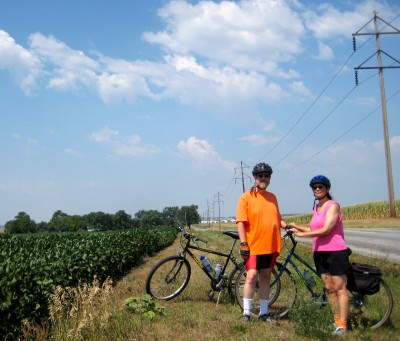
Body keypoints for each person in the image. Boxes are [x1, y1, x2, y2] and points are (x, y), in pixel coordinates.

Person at [283, 175, 350, 336]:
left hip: (335, 251)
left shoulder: (333, 206)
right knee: (329, 289)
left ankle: (343, 325)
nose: (317, 189)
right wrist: (297, 228)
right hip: (319, 252)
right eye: (314, 187)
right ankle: (336, 321)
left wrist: (302, 236)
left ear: (327, 189)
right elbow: (314, 228)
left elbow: (326, 230)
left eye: (320, 187)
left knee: (340, 288)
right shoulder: (317, 208)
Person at [236, 162, 283, 322]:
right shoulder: (246, 197)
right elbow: (241, 222)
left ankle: (264, 313)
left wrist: (287, 226)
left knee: (266, 277)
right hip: (254, 245)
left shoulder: (273, 197)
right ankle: (246, 313)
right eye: (260, 175)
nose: (263, 178)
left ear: (270, 178)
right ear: (255, 177)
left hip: (270, 245)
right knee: (251, 277)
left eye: (266, 175)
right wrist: (243, 243)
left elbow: (277, 218)